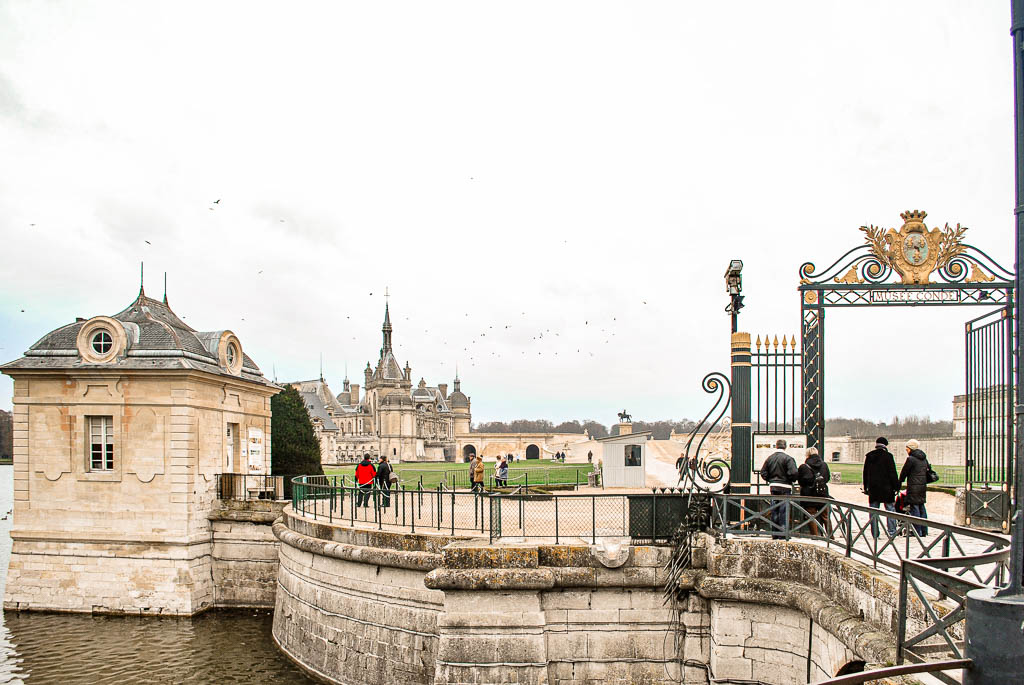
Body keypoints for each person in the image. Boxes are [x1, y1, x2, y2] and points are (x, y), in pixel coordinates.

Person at [759, 439, 798, 539]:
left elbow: (763, 472)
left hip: (773, 486)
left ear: (776, 446)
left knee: (774, 510)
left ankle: (775, 533)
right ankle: (783, 534)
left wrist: (770, 479)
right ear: (785, 446)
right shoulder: (788, 458)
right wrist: (790, 479)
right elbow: (793, 472)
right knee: (783, 511)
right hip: (785, 486)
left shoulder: (770, 458)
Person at [863, 437, 899, 538]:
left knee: (873, 512)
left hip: (874, 488)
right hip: (887, 488)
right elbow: (892, 473)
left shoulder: (870, 456)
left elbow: (865, 473)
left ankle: (875, 533)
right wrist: (896, 487)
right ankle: (892, 532)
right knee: (890, 511)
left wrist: (866, 487)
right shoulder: (888, 456)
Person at [797, 447, 831, 537]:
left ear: (807, 455)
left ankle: (815, 536)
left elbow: (801, 481)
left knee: (811, 516)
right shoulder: (824, 465)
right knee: (825, 516)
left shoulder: (804, 467)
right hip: (822, 493)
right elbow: (827, 478)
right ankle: (830, 536)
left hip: (809, 495)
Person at [899, 439, 929, 536]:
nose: (906, 450)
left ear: (910, 448)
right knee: (921, 507)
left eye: (907, 448)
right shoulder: (924, 459)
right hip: (922, 486)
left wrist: (900, 481)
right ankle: (924, 530)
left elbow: (904, 472)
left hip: (913, 486)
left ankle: (917, 531)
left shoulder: (911, 459)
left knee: (914, 507)